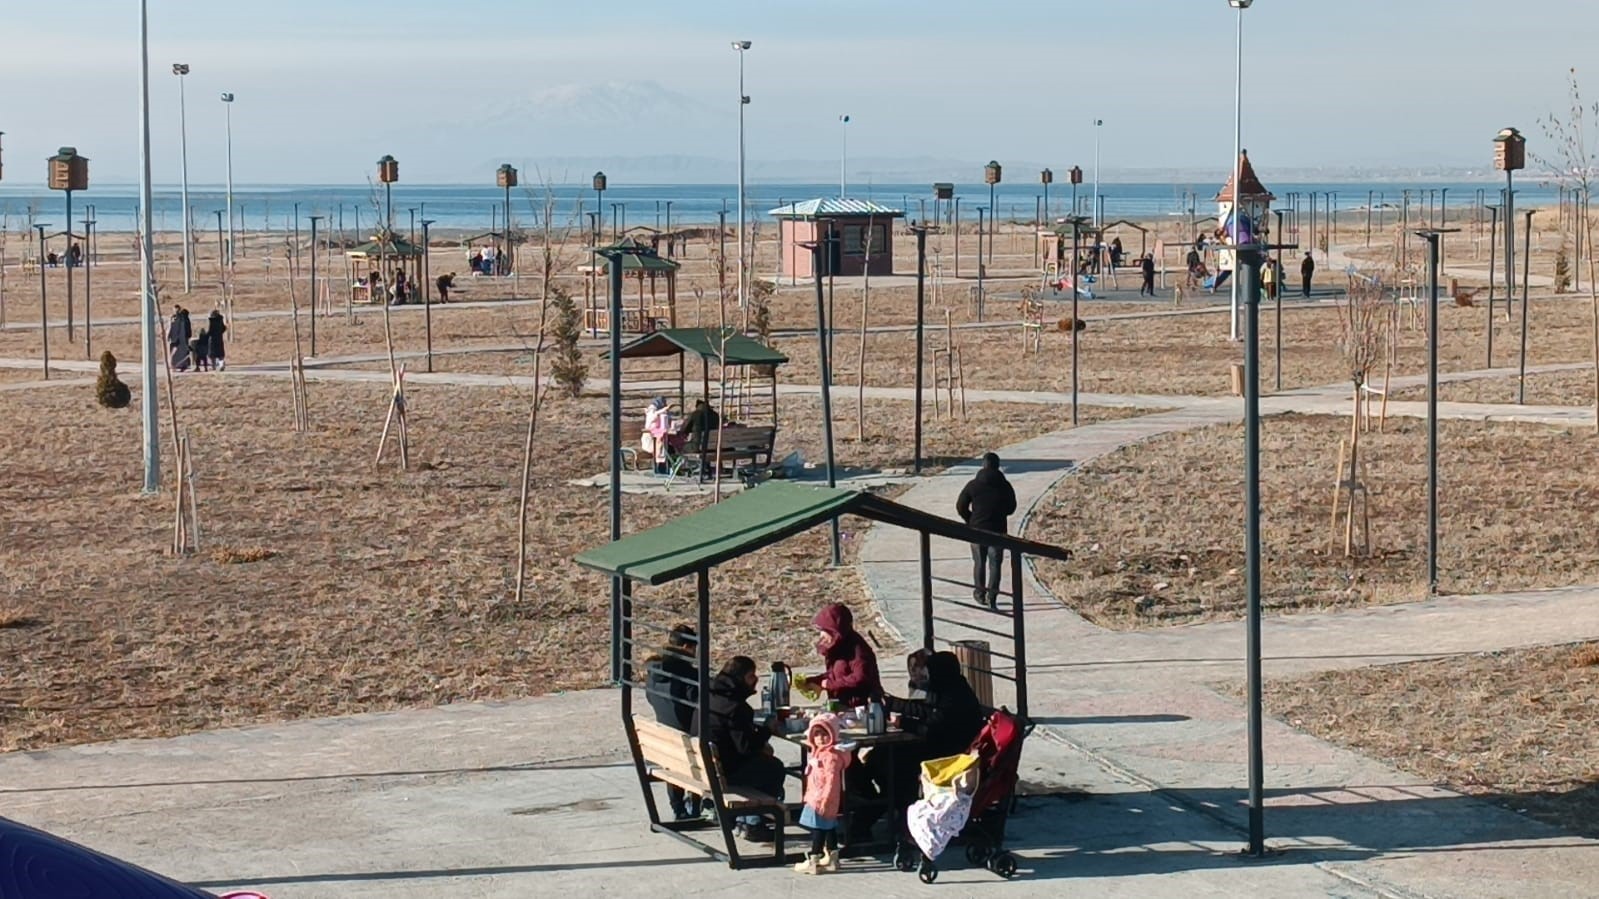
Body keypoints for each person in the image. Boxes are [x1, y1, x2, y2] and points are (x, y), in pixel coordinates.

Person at [693, 655, 786, 843]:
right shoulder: (735, 707)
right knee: (774, 769)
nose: (756, 680)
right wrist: (766, 731)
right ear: (740, 679)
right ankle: (753, 822)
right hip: (723, 772)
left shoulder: (708, 696)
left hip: (703, 766)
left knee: (764, 763)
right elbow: (745, 748)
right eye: (751, 676)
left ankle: (742, 818)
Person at [645, 624, 701, 821]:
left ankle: (678, 807)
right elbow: (699, 703)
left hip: (666, 740)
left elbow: (650, 698)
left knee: (678, 757)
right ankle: (697, 805)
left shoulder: (654, 671)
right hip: (687, 740)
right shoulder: (688, 675)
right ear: (687, 647)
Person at [793, 713, 852, 875]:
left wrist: (826, 799)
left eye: (825, 734)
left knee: (818, 828)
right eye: (816, 734)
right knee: (829, 826)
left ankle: (814, 858)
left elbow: (832, 781)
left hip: (821, 799)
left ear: (833, 734)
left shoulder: (831, 757)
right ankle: (833, 856)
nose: (820, 738)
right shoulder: (820, 752)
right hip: (817, 796)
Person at [956, 452, 1017, 608]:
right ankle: (992, 597)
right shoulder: (1005, 485)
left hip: (977, 529)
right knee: (995, 564)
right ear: (998, 466)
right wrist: (1000, 512)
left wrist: (970, 519)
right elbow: (1011, 508)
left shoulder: (973, 485)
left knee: (979, 562)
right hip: (998, 530)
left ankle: (979, 594)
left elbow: (960, 506)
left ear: (983, 465)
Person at [803, 603, 881, 709]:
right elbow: (836, 674)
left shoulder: (857, 649)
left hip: (861, 707)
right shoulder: (837, 646)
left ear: (835, 631)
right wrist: (814, 681)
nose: (821, 635)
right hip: (841, 705)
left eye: (825, 630)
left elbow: (860, 677)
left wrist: (829, 684)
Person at [642, 396, 675, 473]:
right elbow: (654, 415)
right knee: (661, 444)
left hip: (658, 437)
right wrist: (665, 409)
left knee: (667, 445)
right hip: (650, 440)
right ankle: (661, 467)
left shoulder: (658, 411)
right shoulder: (652, 411)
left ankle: (669, 467)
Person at [168, 305, 193, 372]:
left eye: (177, 310)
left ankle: (182, 366)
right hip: (174, 338)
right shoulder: (173, 318)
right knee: (174, 353)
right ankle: (174, 366)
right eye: (174, 310)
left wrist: (186, 336)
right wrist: (169, 335)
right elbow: (170, 327)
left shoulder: (183, 318)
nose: (176, 312)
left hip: (181, 338)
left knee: (181, 353)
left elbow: (185, 328)